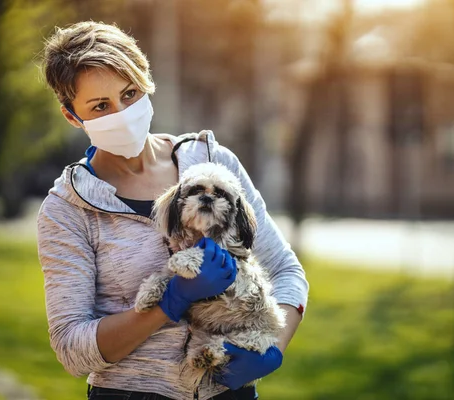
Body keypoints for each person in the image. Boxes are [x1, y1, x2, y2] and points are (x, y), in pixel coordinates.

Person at [37, 21, 309, 400]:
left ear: (147, 81)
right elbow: (71, 346)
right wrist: (169, 302)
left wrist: (272, 347)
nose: (122, 112)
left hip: (228, 391)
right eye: (101, 106)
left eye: (130, 93)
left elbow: (285, 271)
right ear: (72, 116)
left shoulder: (213, 163)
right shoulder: (67, 210)